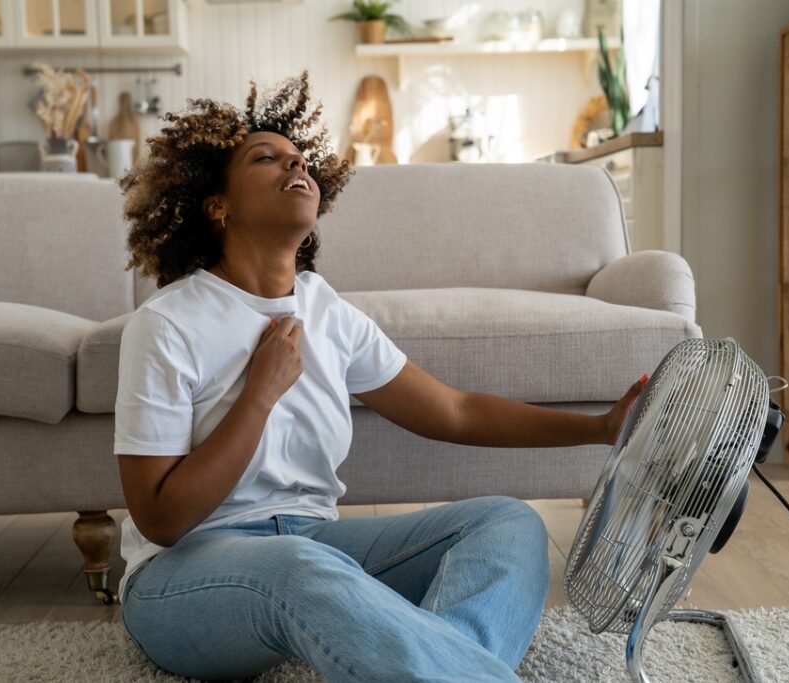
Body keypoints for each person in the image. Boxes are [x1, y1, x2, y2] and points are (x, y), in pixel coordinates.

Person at [113, 70, 647, 682]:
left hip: (317, 551)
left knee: (507, 523)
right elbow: (160, 518)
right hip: (186, 576)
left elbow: (455, 411)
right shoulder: (167, 325)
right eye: (268, 158)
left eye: (301, 159)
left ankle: (440, 663)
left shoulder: (326, 311)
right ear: (217, 205)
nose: (297, 166)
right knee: (299, 566)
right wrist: (259, 394)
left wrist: (603, 427)